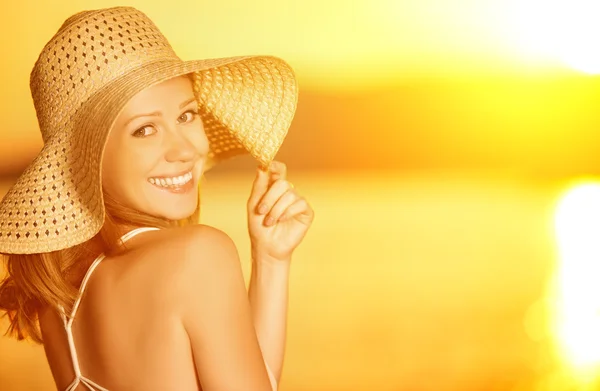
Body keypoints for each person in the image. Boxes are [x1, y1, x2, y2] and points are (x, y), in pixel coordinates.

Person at [0, 6, 314, 391]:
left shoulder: (59, 294)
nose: (184, 149)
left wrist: (270, 259)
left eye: (187, 115)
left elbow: (249, 379)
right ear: (88, 159)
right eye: (145, 129)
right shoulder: (197, 256)